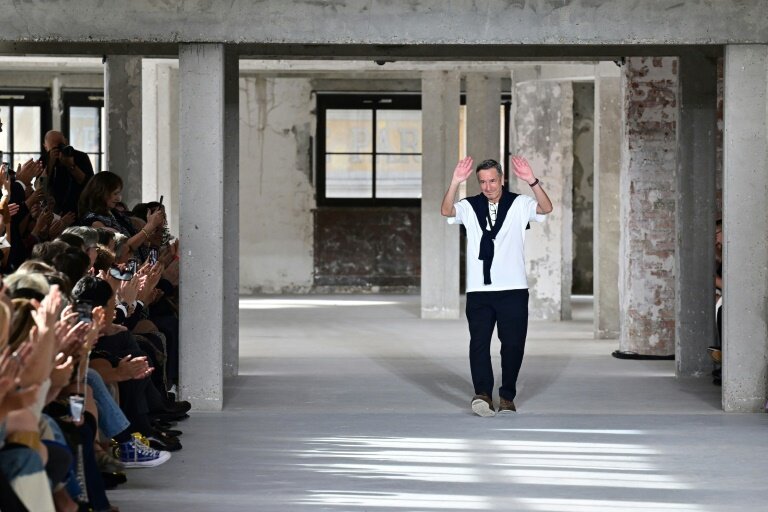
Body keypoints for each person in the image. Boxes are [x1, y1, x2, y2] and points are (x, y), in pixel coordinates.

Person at [441, 156, 553, 417]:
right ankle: (482, 394)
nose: (488, 186)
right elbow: (446, 211)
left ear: (501, 179)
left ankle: (506, 395)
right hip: (479, 290)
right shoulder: (469, 206)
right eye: (482, 182)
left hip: (513, 289)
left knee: (512, 345)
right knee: (479, 343)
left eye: (492, 180)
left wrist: (531, 181)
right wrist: (456, 181)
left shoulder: (519, 204)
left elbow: (546, 208)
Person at [41, 130, 94, 216]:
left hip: (79, 209)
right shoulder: (44, 159)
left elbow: (90, 184)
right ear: (46, 147)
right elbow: (41, 187)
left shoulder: (81, 157)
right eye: (54, 148)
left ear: (66, 142)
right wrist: (50, 164)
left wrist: (71, 165)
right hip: (53, 212)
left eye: (61, 144)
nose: (58, 149)